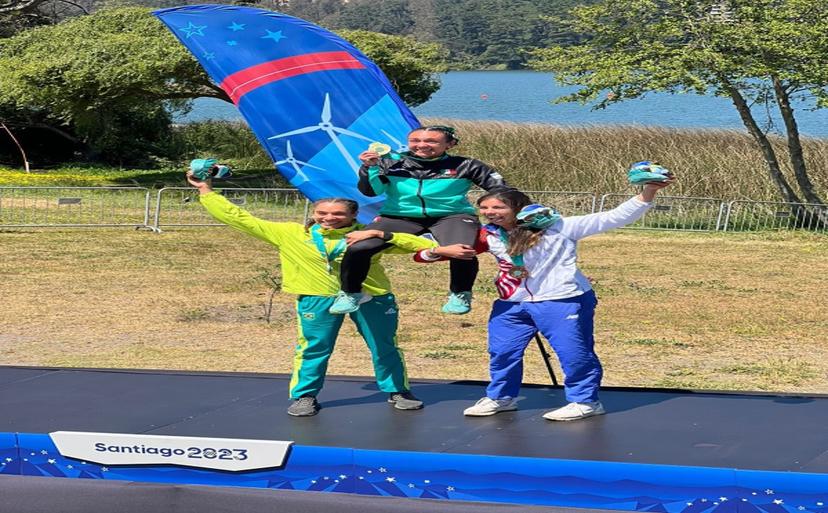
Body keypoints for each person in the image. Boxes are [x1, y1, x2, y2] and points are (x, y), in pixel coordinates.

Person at [186, 172, 468, 417]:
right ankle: (304, 396)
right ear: (313, 213)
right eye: (322, 213)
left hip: (371, 297)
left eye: (338, 214)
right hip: (316, 297)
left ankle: (398, 391)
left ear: (353, 216)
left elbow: (414, 243)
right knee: (313, 348)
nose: (329, 218)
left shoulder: (368, 233)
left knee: (384, 346)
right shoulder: (290, 234)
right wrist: (205, 190)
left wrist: (385, 236)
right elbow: (240, 218)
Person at [415, 179, 673, 421]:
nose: (490, 212)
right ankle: (502, 397)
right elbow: (426, 254)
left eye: (498, 207)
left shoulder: (559, 226)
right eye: (484, 207)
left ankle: (586, 402)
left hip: (562, 300)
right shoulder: (488, 234)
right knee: (502, 352)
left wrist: (648, 192)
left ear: (518, 208)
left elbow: (614, 217)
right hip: (511, 302)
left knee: (574, 353)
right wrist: (433, 251)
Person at [330, 125, 509, 316]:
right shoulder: (389, 162)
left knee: (462, 250)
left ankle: (460, 293)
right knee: (359, 247)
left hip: (452, 215)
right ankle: (350, 293)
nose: (422, 145)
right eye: (415, 141)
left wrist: (519, 210)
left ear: (450, 144)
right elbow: (371, 191)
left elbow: (501, 189)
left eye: (431, 141)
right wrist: (369, 168)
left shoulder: (466, 165)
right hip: (398, 215)